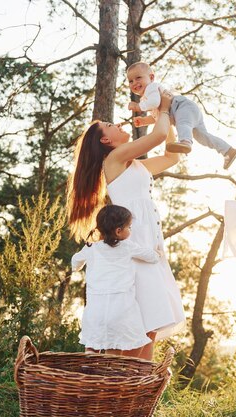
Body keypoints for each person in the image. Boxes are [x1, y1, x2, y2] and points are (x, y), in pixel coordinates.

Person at [67, 90, 185, 360]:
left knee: (152, 317)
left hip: (148, 241)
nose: (119, 124)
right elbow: (155, 137)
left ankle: (139, 382)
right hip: (134, 243)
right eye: (111, 126)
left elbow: (171, 157)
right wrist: (163, 110)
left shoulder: (133, 165)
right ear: (106, 140)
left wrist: (159, 115)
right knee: (143, 314)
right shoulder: (115, 158)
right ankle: (127, 376)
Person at [72, 205, 161, 356]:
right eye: (129, 227)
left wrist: (79, 265)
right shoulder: (127, 247)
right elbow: (151, 257)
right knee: (114, 349)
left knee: (92, 346)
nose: (131, 231)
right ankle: (109, 377)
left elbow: (75, 263)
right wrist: (158, 253)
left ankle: (89, 374)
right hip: (120, 308)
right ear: (119, 231)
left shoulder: (91, 248)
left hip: (95, 309)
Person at [127, 61, 236, 170]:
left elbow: (155, 102)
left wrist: (138, 106)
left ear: (151, 78)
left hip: (182, 107)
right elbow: (160, 116)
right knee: (203, 138)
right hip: (189, 111)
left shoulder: (151, 88)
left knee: (183, 124)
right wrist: (144, 121)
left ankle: (185, 142)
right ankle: (228, 151)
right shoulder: (147, 98)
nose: (134, 83)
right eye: (130, 81)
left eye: (138, 78)